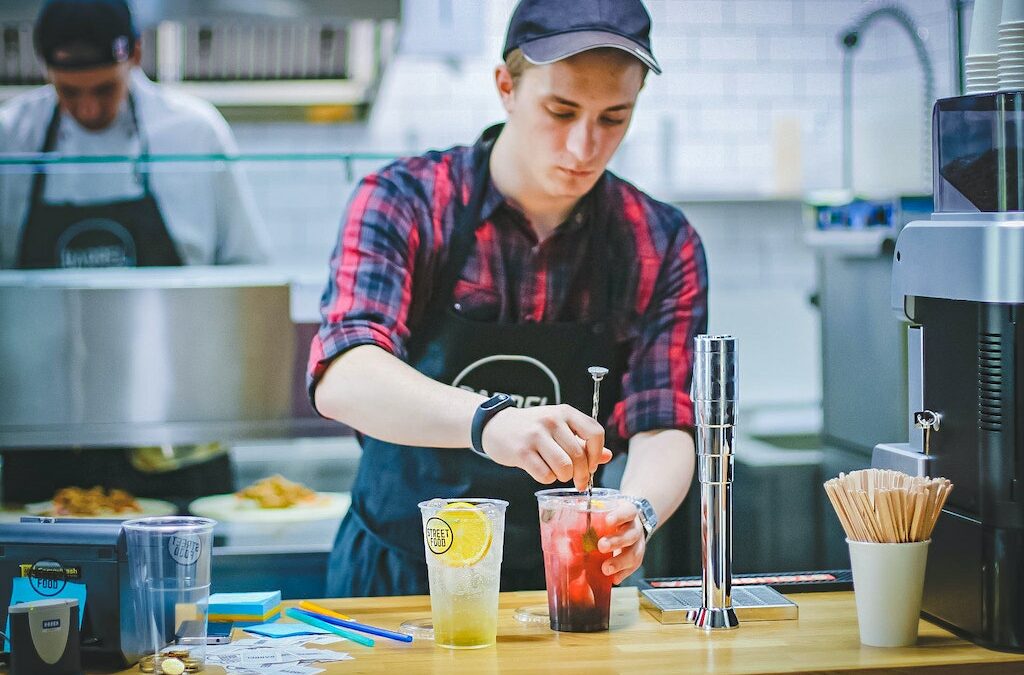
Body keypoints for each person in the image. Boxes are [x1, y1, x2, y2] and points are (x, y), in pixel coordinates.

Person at [309, 0, 708, 597]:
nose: (583, 147)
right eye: (561, 110)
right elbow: (344, 376)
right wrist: (488, 423)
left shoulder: (659, 241)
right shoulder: (408, 200)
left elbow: (664, 421)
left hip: (567, 580)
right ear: (506, 86)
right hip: (395, 582)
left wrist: (639, 513)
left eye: (613, 118)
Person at [0, 0, 268, 505]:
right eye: (68, 92)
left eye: (106, 89)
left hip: (176, 434)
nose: (89, 110)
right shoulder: (11, 138)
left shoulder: (192, 133)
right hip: (46, 438)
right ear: (45, 71)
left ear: (137, 55)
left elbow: (244, 274)